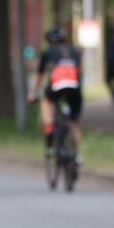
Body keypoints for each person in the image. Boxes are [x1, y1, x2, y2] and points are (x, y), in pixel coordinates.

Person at [29, 26, 83, 160]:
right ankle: (77, 156)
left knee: (46, 102)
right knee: (74, 121)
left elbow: (39, 76)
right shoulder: (75, 51)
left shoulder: (48, 52)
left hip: (56, 86)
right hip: (75, 87)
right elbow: (79, 72)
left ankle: (49, 127)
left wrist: (32, 94)